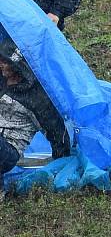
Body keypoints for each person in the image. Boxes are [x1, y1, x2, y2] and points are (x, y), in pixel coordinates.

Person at [0, 40, 70, 185]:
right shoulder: (2, 79)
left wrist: (61, 164)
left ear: (18, 65)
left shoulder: (36, 97)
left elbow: (56, 132)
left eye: (5, 61)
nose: (1, 65)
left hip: (8, 149)